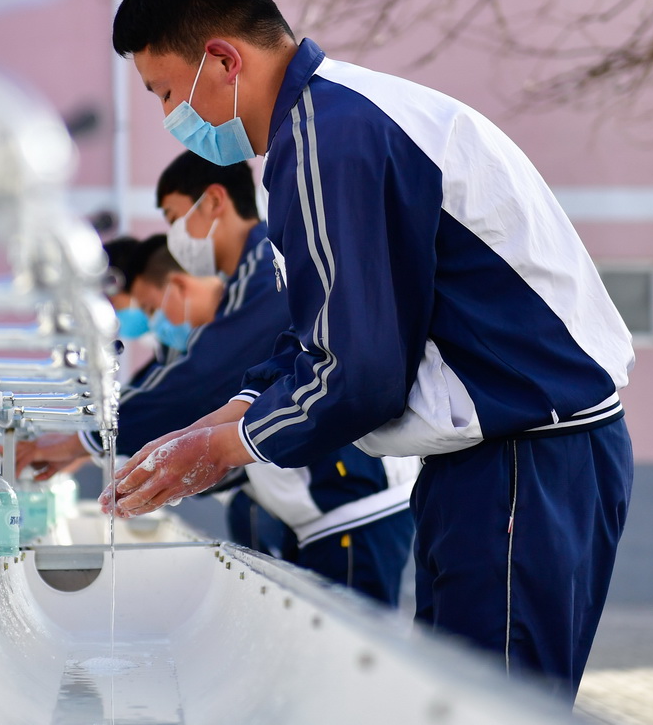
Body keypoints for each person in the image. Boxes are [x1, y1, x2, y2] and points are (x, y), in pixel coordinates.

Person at [104, 0, 634, 699]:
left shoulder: (332, 138)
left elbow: (361, 373)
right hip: (492, 459)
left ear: (221, 59)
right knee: (459, 700)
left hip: (527, 459)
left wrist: (221, 447)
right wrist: (221, 419)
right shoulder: (325, 126)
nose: (169, 118)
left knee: (497, 707)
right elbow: (321, 335)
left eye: (163, 92)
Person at [23, 153, 415, 604]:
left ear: (213, 202)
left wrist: (91, 439)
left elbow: (200, 378)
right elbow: (238, 379)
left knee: (348, 659)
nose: (174, 236)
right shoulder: (245, 280)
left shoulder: (266, 268)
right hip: (316, 508)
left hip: (348, 502)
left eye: (172, 217)